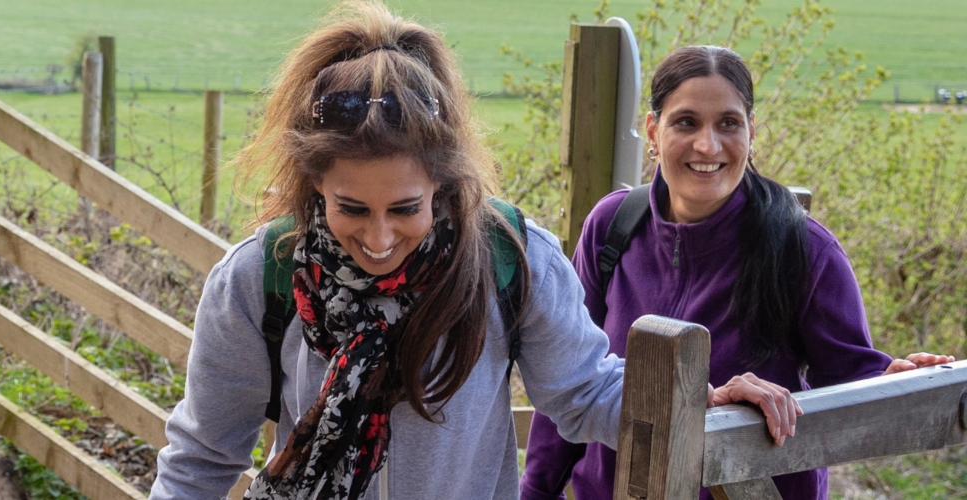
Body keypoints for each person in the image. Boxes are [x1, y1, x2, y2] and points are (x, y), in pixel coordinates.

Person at [149, 6, 801, 499]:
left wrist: (698, 401)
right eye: (352, 208)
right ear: (314, 182)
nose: (379, 239)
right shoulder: (259, 276)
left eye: (405, 208)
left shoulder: (509, 259)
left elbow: (582, 391)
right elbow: (204, 456)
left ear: (444, 180)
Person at [520, 45, 955, 500]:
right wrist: (536, 491)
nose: (707, 145)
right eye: (686, 121)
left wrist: (894, 380)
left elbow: (849, 381)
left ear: (752, 132)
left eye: (728, 123)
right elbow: (571, 377)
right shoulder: (612, 226)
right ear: (653, 130)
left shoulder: (804, 248)